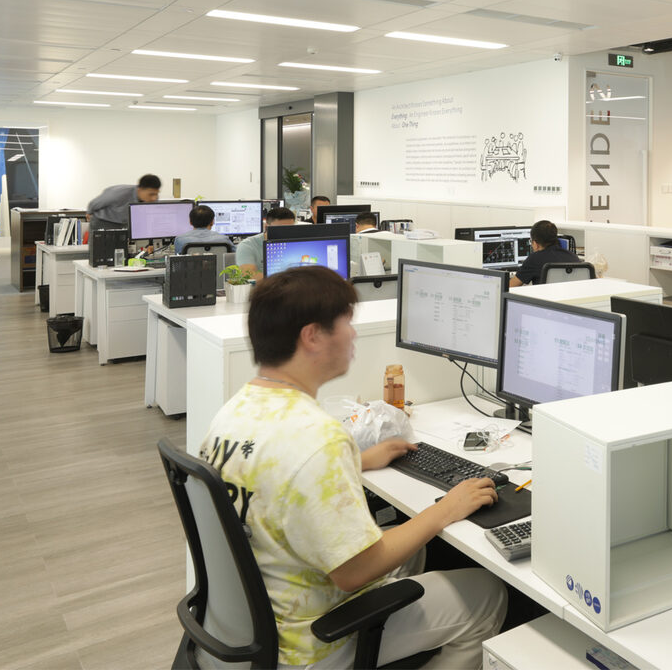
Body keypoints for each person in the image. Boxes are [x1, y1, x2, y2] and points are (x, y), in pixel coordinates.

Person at [199, 267, 506, 667]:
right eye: (346, 322)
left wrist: (356, 461)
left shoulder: (233, 411)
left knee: (409, 548)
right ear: (312, 336)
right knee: (487, 594)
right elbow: (355, 572)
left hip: (256, 622)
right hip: (309, 642)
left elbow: (272, 478)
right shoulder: (318, 438)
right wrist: (447, 508)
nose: (354, 334)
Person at [509, 219, 579, 287]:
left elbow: (510, 286)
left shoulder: (534, 259)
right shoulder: (573, 257)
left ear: (535, 244)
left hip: (543, 295)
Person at [236, 206, 296, 279]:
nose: (284, 234)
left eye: (289, 229)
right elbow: (248, 275)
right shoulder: (248, 246)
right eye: (279, 229)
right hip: (265, 286)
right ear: (266, 227)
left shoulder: (296, 243)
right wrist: (285, 279)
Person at [86, 174, 161, 232]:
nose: (154, 198)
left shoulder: (152, 199)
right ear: (140, 190)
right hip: (103, 221)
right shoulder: (119, 193)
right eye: (151, 194)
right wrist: (89, 212)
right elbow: (95, 203)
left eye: (156, 194)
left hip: (123, 223)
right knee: (100, 246)